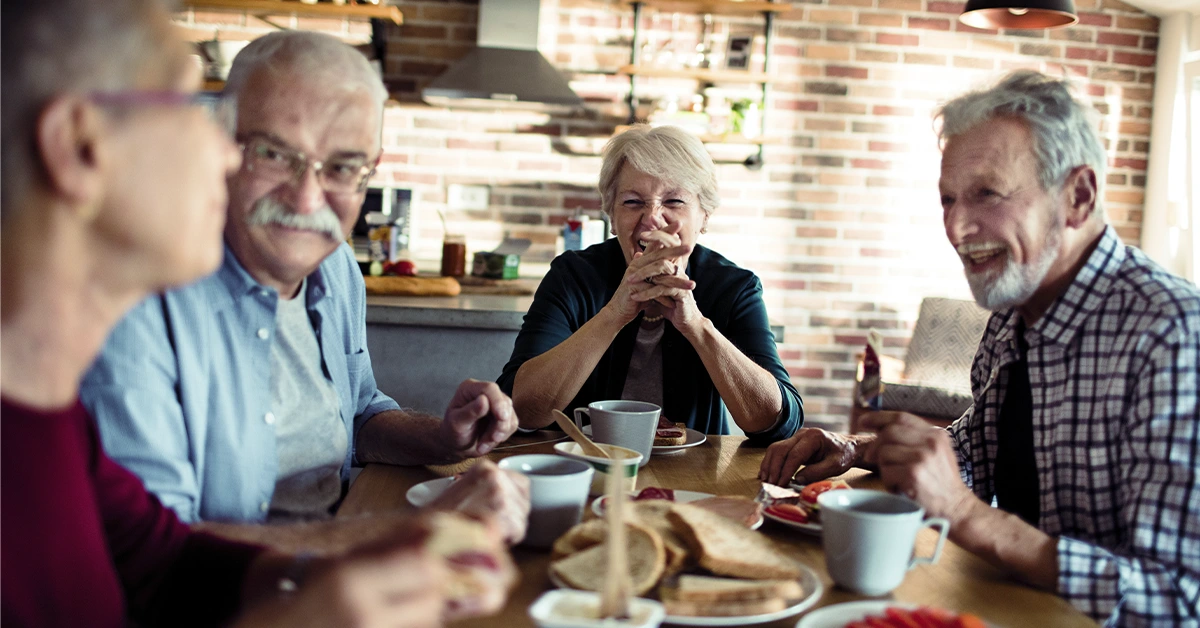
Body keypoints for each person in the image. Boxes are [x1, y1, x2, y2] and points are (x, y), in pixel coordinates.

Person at [0, 1, 480, 626]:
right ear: (79, 148)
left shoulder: (48, 412)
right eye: (188, 110)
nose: (228, 156)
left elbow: (161, 558)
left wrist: (367, 559)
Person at [759, 71, 1200, 626]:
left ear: (1078, 196)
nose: (958, 227)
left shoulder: (1174, 334)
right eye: (948, 200)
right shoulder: (1013, 315)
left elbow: (1181, 598)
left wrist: (967, 516)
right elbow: (973, 453)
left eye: (987, 194)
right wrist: (857, 449)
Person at [77, 30, 529, 545]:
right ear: (221, 146)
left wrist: (445, 438)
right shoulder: (137, 301)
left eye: (341, 167)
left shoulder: (335, 267)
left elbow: (358, 415)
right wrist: (405, 534)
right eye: (273, 153)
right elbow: (155, 553)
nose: (306, 197)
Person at [499, 125, 802, 442]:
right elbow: (521, 410)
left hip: (693, 480)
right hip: (585, 467)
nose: (653, 219)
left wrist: (695, 324)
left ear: (705, 217)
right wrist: (616, 312)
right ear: (612, 218)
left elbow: (777, 422)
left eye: (673, 201)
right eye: (632, 202)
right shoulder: (573, 276)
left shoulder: (735, 287)